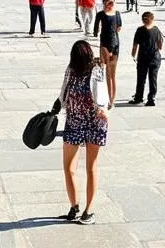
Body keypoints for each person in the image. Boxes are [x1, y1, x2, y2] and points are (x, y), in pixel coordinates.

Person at [57, 39, 109, 224]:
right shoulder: (96, 70)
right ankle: (86, 210)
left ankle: (76, 208)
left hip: (77, 122)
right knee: (90, 168)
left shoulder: (72, 71)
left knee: (70, 168)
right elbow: (102, 94)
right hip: (93, 122)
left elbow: (63, 95)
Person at [93, 0, 121, 105]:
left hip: (105, 43)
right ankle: (111, 99)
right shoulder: (117, 13)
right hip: (115, 42)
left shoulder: (101, 14)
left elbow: (95, 30)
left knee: (107, 73)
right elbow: (119, 28)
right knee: (112, 75)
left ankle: (109, 99)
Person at [130, 11, 163, 106]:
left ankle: (138, 97)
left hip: (143, 58)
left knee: (141, 78)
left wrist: (133, 55)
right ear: (152, 19)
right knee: (153, 78)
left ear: (143, 20)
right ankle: (151, 98)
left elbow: (135, 45)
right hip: (155, 57)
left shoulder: (140, 30)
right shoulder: (156, 29)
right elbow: (160, 45)